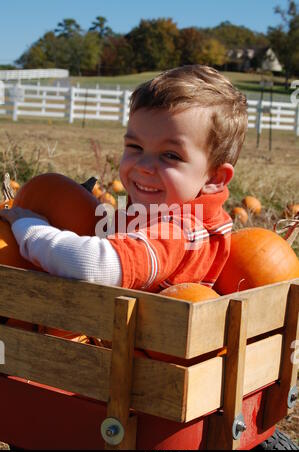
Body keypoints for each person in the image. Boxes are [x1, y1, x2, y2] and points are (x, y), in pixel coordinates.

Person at [0, 65, 248, 293]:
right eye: (135, 146)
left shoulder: (180, 232)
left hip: (120, 339)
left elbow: (94, 266)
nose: (144, 166)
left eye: (170, 155)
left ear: (215, 178)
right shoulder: (154, 210)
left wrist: (31, 229)